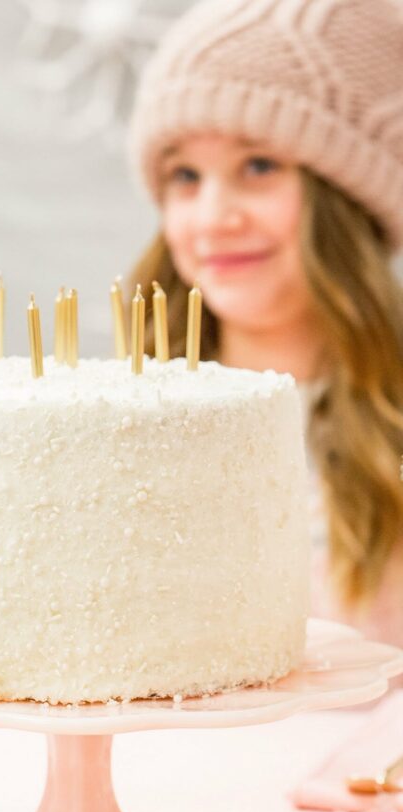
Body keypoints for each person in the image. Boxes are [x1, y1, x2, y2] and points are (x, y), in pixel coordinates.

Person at [127, 0, 403, 648]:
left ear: (349, 201)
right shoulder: (123, 423)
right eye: (185, 176)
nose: (214, 217)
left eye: (259, 166)